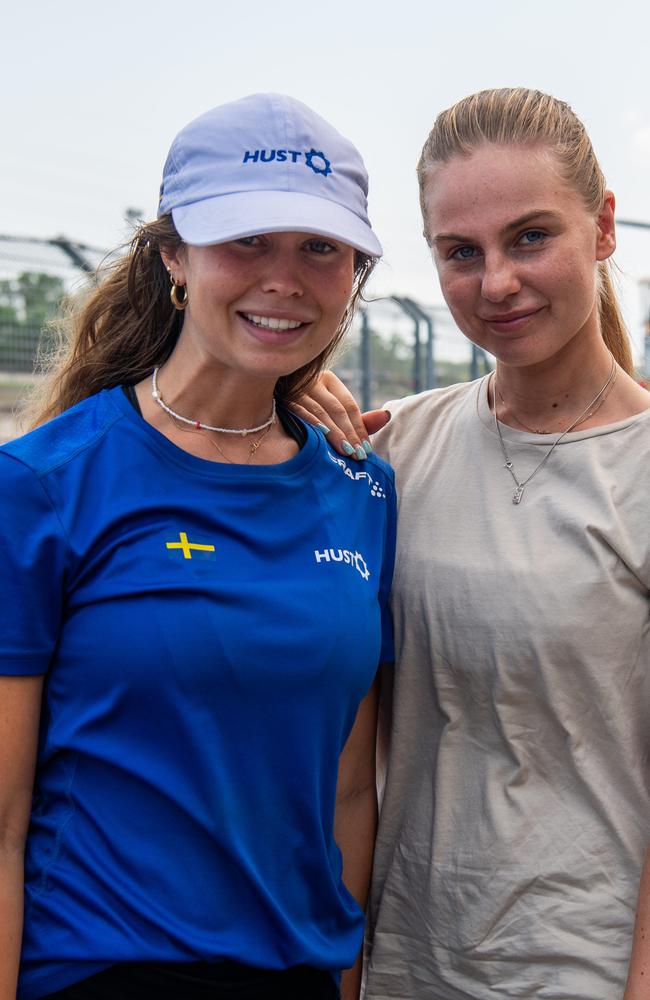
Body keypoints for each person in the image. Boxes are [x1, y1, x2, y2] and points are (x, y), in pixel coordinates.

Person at [0, 93, 396, 1000]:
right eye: (247, 240)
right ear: (174, 255)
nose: (285, 279)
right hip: (102, 969)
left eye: (319, 248)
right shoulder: (41, 486)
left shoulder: (364, 489)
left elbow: (342, 794)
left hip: (296, 974)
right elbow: (4, 822)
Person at [294, 88, 650, 999]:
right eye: (462, 252)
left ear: (603, 228)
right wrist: (275, 401)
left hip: (585, 968)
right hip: (406, 961)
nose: (496, 281)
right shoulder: (387, 451)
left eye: (531, 237)